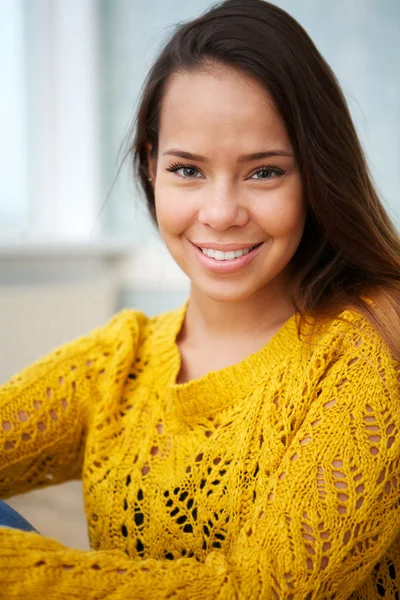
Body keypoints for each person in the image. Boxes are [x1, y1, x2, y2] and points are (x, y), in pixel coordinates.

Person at [0, 0, 399, 597]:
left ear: (316, 177)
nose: (220, 213)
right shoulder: (124, 357)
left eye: (264, 172)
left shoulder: (365, 354)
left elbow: (261, 591)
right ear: (151, 167)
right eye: (188, 169)